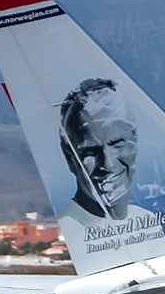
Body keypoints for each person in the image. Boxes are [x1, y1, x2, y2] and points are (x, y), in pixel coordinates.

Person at [58, 78, 136, 220]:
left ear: (134, 139)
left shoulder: (147, 221)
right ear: (70, 158)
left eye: (118, 143)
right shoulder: (76, 230)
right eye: (91, 151)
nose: (109, 164)